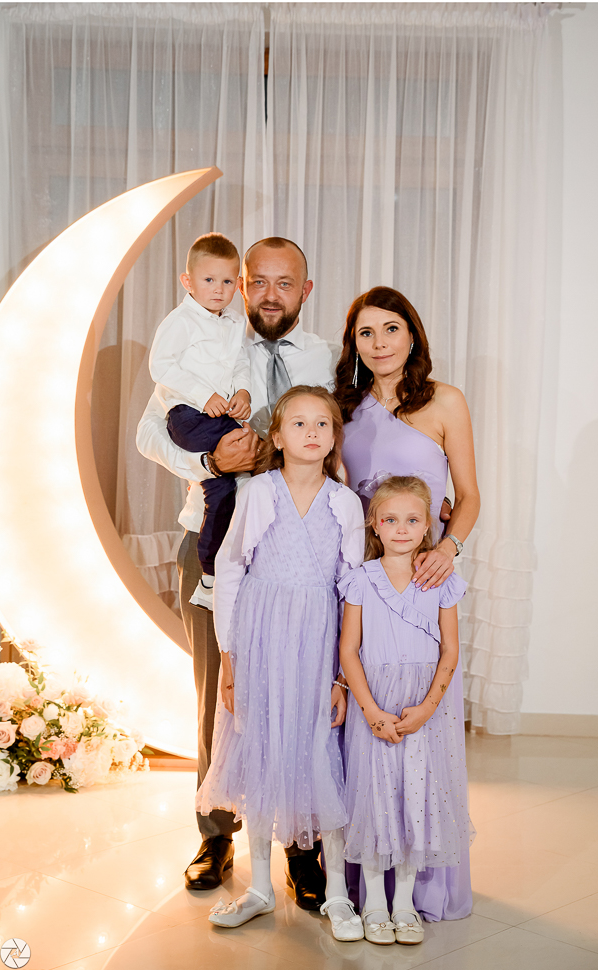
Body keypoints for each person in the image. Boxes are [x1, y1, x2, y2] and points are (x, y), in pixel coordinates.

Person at [135, 239, 338, 905]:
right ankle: (216, 834)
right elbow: (149, 432)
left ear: (306, 291)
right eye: (259, 282)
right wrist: (209, 462)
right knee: (215, 698)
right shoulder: (207, 342)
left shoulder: (324, 358)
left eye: (286, 283)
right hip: (213, 539)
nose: (270, 295)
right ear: (242, 285)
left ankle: (302, 846)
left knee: (300, 696)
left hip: (300, 555)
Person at [196, 387, 365, 933]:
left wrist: (342, 675)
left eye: (322, 424)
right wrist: (229, 658)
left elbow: (352, 591)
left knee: (320, 751)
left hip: (317, 642)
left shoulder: (345, 503)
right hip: (260, 638)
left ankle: (337, 894)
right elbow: (230, 570)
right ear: (276, 435)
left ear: (334, 437)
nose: (311, 432)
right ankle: (261, 888)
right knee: (261, 749)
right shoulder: (258, 492)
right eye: (298, 423)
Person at [335, 285, 480, 922]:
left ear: (412, 334)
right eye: (366, 333)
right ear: (354, 345)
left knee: (424, 736)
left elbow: (468, 495)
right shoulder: (344, 408)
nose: (380, 343)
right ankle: (362, 885)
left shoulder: (445, 401)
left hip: (423, 579)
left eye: (391, 329)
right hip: (361, 580)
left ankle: (424, 889)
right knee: (363, 731)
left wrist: (447, 547)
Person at [338, 475, 474, 945]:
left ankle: (404, 904)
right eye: (391, 519)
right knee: (375, 800)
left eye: (413, 519)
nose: (401, 528)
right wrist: (371, 711)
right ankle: (375, 902)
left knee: (416, 800)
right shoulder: (361, 579)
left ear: (427, 525)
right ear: (375, 524)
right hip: (375, 703)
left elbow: (450, 650)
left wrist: (428, 708)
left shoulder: (441, 581)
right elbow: (348, 650)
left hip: (423, 708)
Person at [149, 233, 251, 609]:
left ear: (238, 284)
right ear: (187, 281)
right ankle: (209, 571)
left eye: (227, 281)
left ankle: (211, 575)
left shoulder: (235, 323)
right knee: (251, 450)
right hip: (188, 415)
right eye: (209, 280)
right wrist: (202, 395)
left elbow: (240, 363)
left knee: (222, 488)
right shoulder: (180, 322)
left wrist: (243, 392)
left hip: (217, 414)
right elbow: (160, 365)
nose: (218, 289)